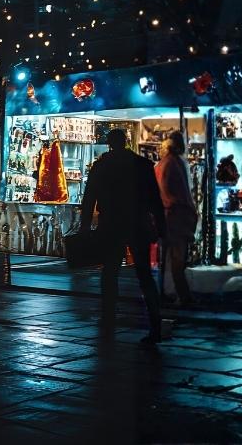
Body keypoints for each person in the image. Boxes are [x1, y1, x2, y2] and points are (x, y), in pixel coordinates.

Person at [80, 128, 167, 344]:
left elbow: (89, 198)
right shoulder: (142, 165)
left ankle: (108, 316)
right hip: (138, 223)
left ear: (109, 143)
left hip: (112, 224)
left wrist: (84, 228)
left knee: (110, 272)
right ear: (126, 142)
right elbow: (155, 200)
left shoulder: (101, 166)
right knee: (144, 276)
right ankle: (155, 324)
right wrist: (161, 227)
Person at [154, 131, 197, 307]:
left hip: (172, 216)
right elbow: (174, 193)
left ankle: (172, 294)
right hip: (176, 217)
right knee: (177, 260)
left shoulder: (168, 163)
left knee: (169, 259)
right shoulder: (174, 163)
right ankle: (182, 296)